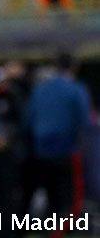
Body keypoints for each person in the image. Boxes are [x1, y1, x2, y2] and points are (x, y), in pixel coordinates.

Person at [25, 54, 92, 218]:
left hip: (41, 150)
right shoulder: (76, 89)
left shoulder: (40, 90)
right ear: (74, 67)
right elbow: (84, 121)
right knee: (68, 199)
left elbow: (28, 120)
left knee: (49, 196)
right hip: (67, 150)